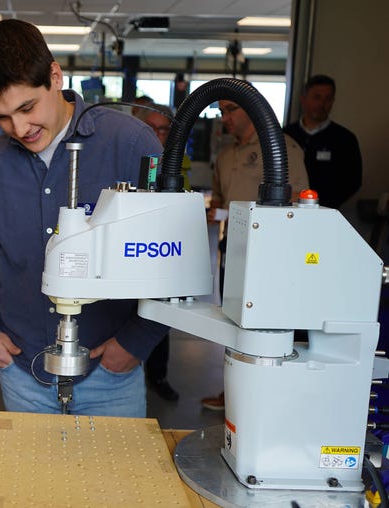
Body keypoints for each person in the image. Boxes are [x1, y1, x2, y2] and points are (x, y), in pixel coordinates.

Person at [0, 19, 168, 417]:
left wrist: (139, 340)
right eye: (0, 117)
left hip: (111, 372)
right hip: (23, 372)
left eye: (26, 107)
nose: (19, 128)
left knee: (113, 480)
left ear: (54, 76)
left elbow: (170, 258)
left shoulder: (131, 144)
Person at [200, 98, 310, 411]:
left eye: (231, 110)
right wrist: (215, 212)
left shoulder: (282, 149)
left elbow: (302, 200)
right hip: (233, 248)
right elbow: (219, 198)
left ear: (251, 109)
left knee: (269, 326)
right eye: (221, 112)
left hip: (271, 254)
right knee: (234, 320)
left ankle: (274, 396)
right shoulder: (225, 154)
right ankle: (232, 394)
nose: (225, 118)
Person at [133, 102, 191, 402]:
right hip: (133, 251)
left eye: (163, 128)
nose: (157, 134)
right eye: (151, 127)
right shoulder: (129, 156)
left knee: (158, 319)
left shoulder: (178, 163)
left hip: (163, 251)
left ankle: (158, 377)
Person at [284, 74, 362, 209]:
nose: (321, 104)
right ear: (303, 99)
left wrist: (325, 204)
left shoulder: (345, 139)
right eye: (316, 97)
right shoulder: (286, 135)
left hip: (325, 211)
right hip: (286, 209)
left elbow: (353, 181)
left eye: (328, 99)